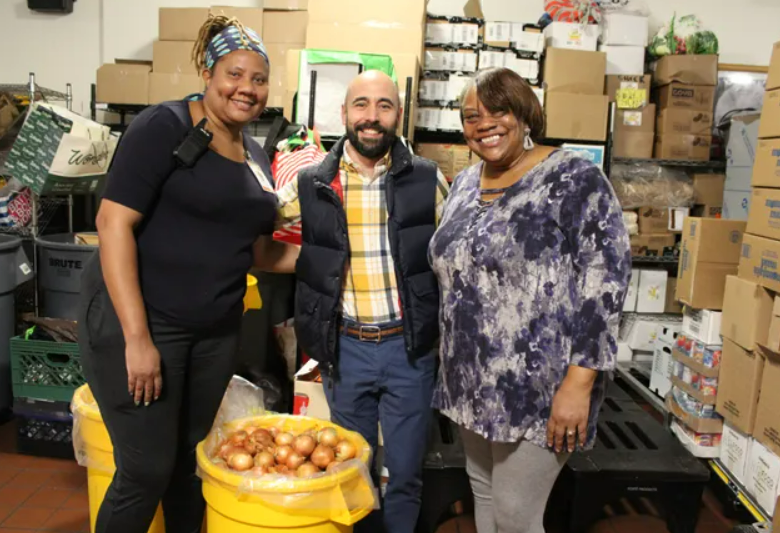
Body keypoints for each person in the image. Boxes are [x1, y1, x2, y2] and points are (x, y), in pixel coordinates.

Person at [78, 16, 299, 533]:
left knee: (187, 465)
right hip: (142, 320)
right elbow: (112, 223)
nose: (247, 88)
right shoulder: (165, 126)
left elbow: (255, 251)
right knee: (146, 469)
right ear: (207, 70)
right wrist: (138, 339)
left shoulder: (257, 154)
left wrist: (330, 261)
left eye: (259, 79)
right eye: (234, 74)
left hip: (213, 332)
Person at [428, 68, 632, 533]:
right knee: (484, 496)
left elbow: (606, 280)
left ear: (524, 113)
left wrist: (578, 385)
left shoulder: (573, 178)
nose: (484, 123)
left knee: (517, 515)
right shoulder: (462, 184)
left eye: (498, 110)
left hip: (540, 388)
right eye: (471, 116)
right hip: (469, 381)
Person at [276, 70, 450, 533]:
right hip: (345, 349)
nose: (371, 117)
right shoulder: (313, 182)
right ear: (344, 114)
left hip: (409, 349)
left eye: (384, 106)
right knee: (351, 469)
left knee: (406, 474)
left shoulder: (427, 180)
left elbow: (455, 252)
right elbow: (259, 223)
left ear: (399, 115)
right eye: (361, 105)